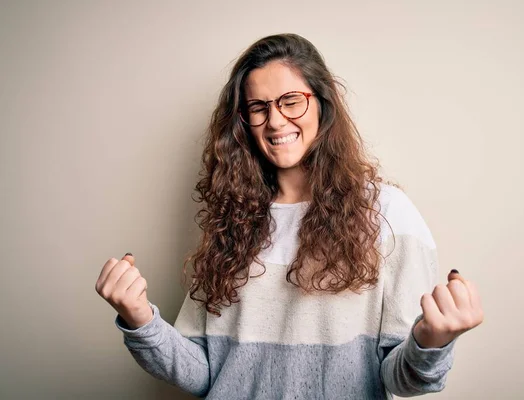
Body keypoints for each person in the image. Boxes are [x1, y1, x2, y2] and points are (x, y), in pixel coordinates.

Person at [95, 33, 483, 399]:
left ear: (322, 103)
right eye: (258, 107)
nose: (276, 120)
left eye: (291, 100)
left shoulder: (387, 214)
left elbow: (399, 379)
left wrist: (430, 341)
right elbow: (203, 373)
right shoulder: (234, 218)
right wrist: (139, 318)